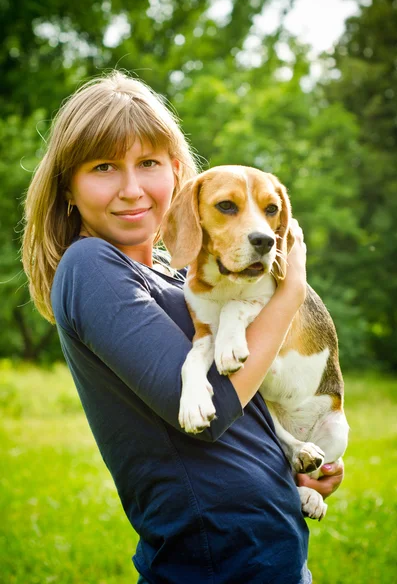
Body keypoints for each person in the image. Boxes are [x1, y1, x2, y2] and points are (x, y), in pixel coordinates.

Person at [22, 71, 343, 584]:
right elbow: (204, 413)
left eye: (147, 163)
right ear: (68, 189)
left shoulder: (177, 277)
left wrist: (290, 459)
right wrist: (291, 291)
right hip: (211, 561)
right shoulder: (90, 267)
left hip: (269, 550)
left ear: (175, 174)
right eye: (104, 167)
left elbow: (245, 393)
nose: (131, 189)